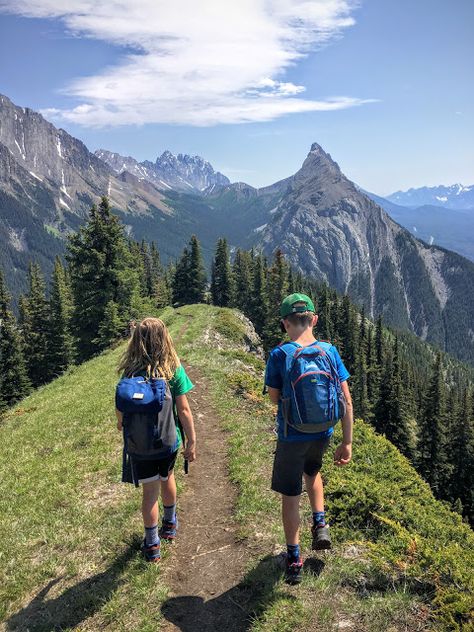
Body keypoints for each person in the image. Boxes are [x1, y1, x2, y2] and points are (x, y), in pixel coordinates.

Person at [264, 293, 353, 584]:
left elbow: (274, 398)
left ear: (284, 323)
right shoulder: (329, 351)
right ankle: (320, 523)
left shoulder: (280, 354)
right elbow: (347, 402)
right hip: (324, 431)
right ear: (314, 320)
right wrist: (347, 442)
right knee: (313, 472)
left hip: (292, 434)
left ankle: (294, 558)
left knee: (290, 495)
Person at [115, 317, 196, 562]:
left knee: (149, 493)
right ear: (164, 340)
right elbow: (184, 411)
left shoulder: (129, 372)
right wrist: (191, 441)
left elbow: (121, 412)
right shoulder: (172, 369)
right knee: (167, 478)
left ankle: (152, 544)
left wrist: (122, 425)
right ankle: (170, 524)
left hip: (140, 446)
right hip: (168, 441)